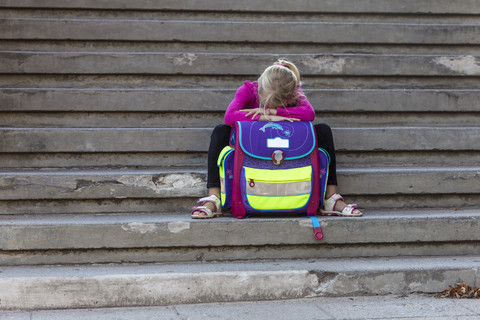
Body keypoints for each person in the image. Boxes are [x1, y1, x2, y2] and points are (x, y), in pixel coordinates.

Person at [191, 59, 362, 218]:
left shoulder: (294, 91)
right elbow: (229, 116)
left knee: (323, 130)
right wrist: (264, 118)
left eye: (275, 103)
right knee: (220, 131)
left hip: (286, 144)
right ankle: (214, 197)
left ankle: (330, 198)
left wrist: (274, 112)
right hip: (252, 147)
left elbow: (309, 113)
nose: (267, 105)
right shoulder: (248, 89)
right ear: (260, 85)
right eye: (264, 102)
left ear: (290, 95)